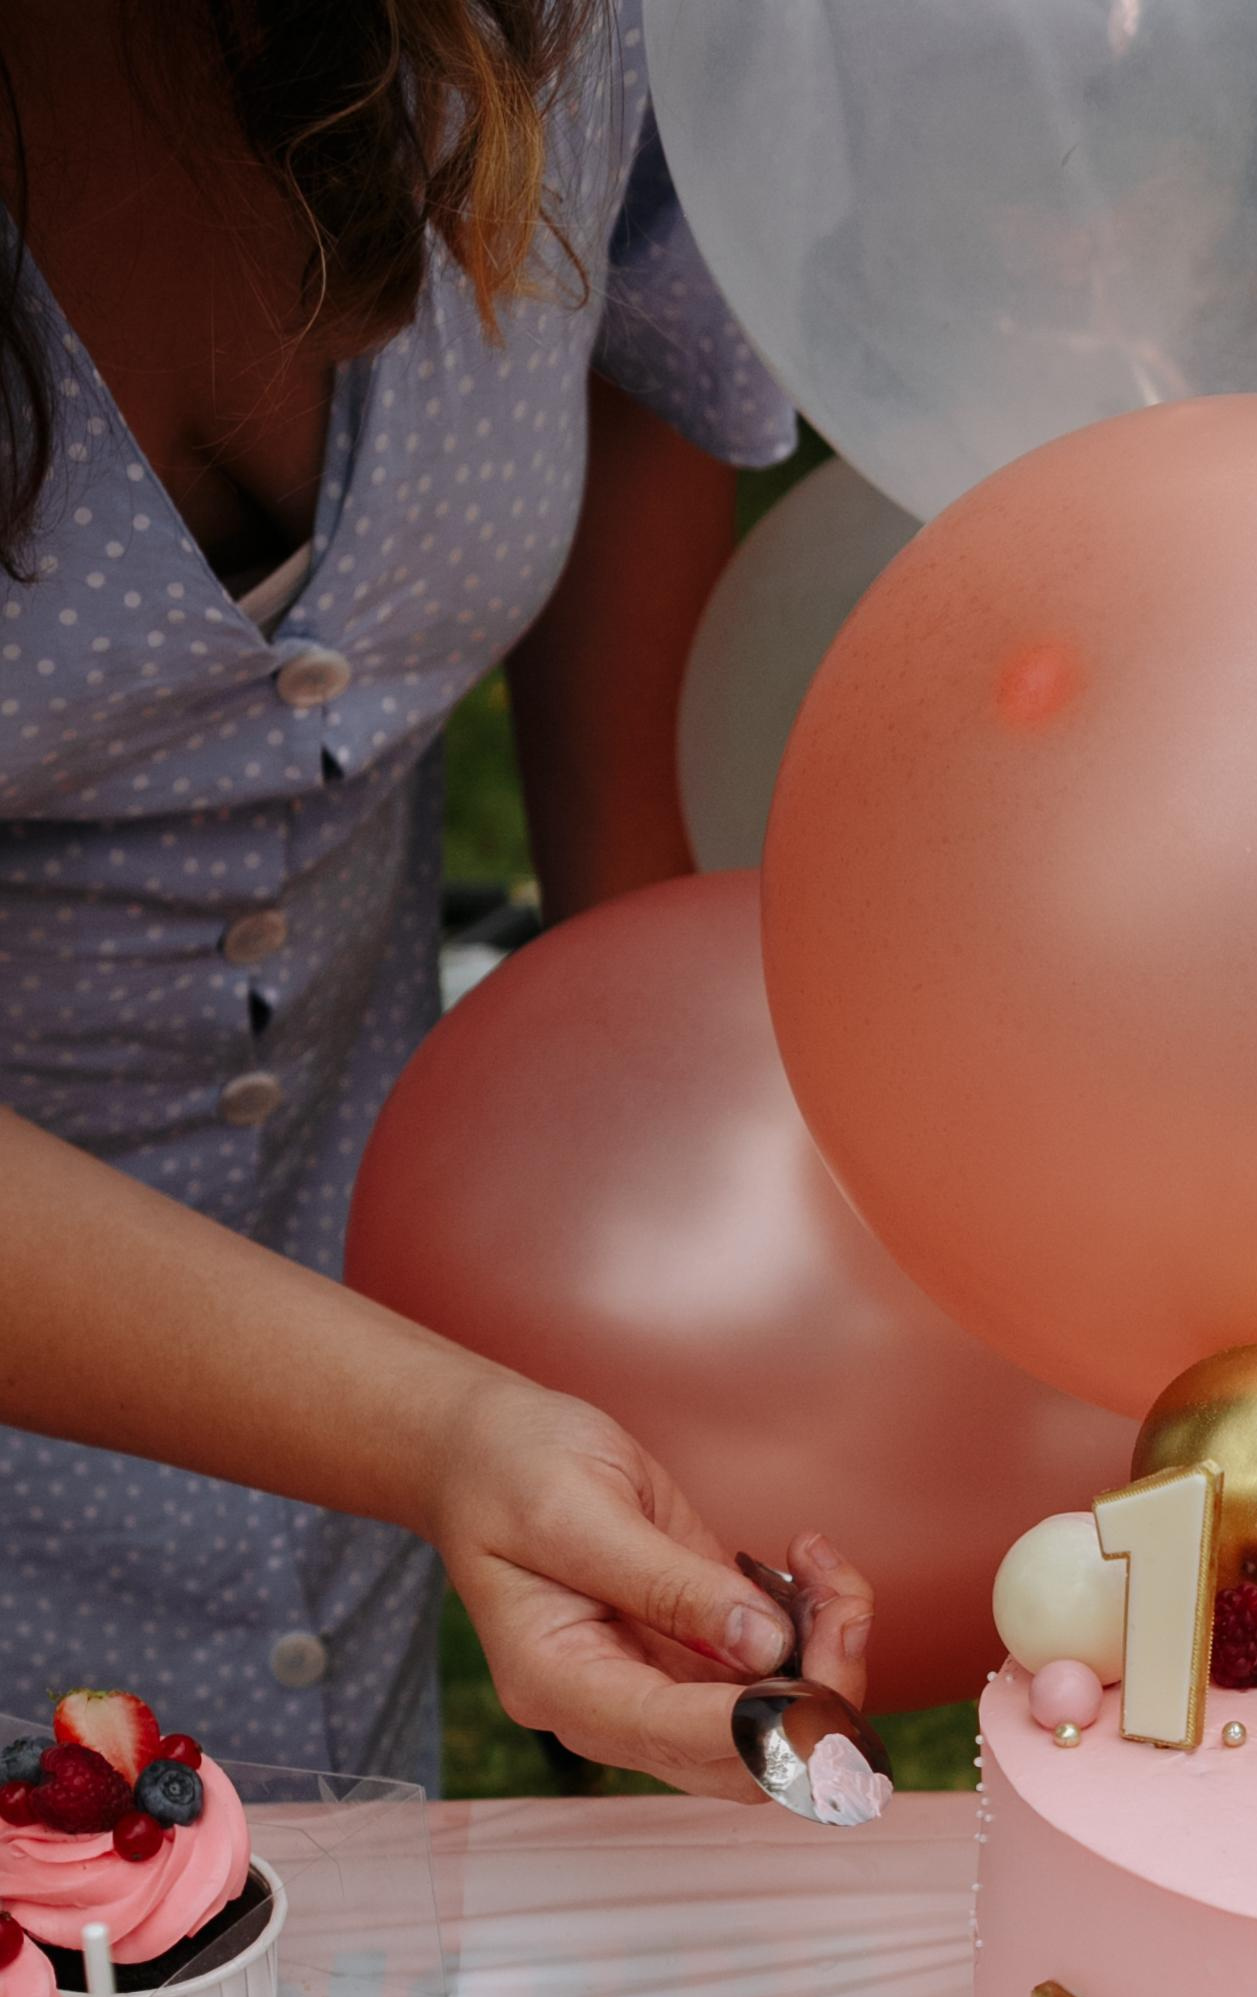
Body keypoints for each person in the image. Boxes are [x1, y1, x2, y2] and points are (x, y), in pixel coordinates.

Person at [0, 0, 866, 1797]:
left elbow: (651, 361)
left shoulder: (566, 22)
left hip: (372, 1465)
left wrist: (671, 1235)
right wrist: (452, 1429)